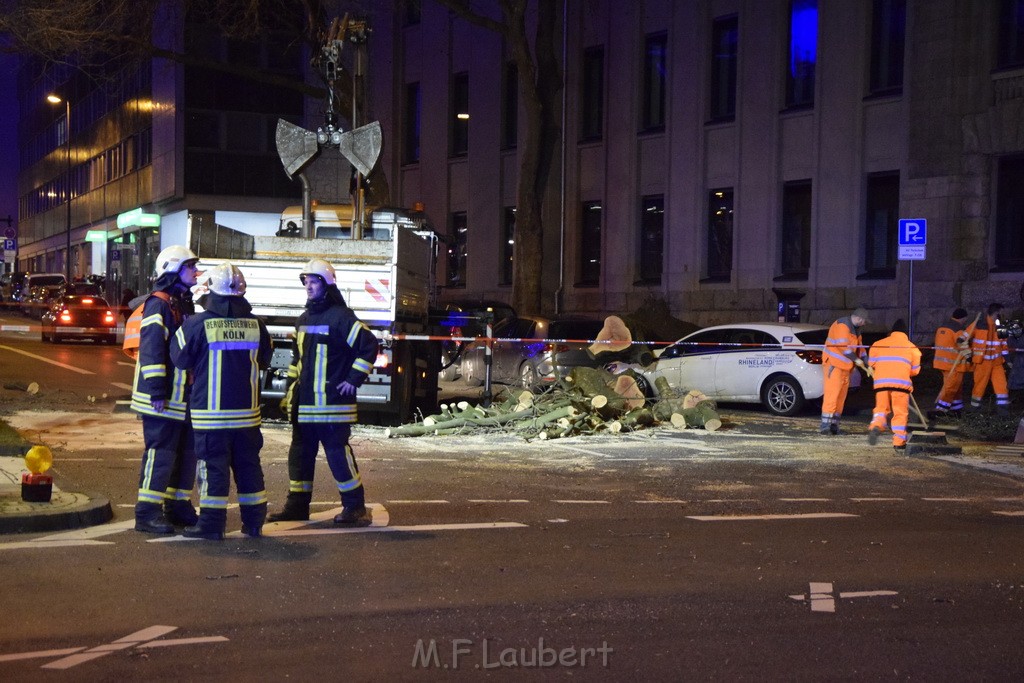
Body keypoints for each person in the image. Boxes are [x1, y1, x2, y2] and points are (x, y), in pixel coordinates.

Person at [267, 259, 379, 525]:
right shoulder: (304, 319)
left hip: (332, 406)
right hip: (304, 407)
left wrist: (353, 379)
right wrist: (289, 394)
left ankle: (355, 506)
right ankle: (296, 507)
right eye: (306, 281)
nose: (308, 286)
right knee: (299, 458)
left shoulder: (342, 318)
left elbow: (369, 346)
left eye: (314, 281)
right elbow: (299, 361)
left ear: (327, 285)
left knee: (337, 456)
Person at [170, 262, 273, 539]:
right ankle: (253, 524)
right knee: (249, 468)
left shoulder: (197, 324)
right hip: (247, 418)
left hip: (211, 417)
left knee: (212, 470)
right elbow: (265, 360)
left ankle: (211, 525)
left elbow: (179, 358)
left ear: (211, 291)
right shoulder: (258, 326)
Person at [130, 246, 200, 533]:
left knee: (186, 453)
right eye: (190, 266)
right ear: (173, 270)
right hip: (160, 398)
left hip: (181, 396)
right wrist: (158, 390)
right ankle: (147, 512)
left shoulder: (182, 303)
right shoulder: (159, 304)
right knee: (161, 453)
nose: (196, 271)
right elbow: (151, 348)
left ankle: (177, 505)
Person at [867, 319, 922, 452]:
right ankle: (899, 442)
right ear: (905, 333)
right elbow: (915, 370)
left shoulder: (877, 344)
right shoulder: (913, 348)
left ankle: (876, 426)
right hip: (901, 385)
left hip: (881, 384)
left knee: (881, 410)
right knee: (900, 413)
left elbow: (872, 364)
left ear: (891, 332)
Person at [820, 307, 870, 435]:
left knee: (840, 399)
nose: (865, 324)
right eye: (864, 321)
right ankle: (825, 427)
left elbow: (860, 348)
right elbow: (844, 348)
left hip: (845, 368)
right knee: (832, 396)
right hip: (834, 366)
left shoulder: (856, 330)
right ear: (859, 319)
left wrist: (866, 361)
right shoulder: (842, 326)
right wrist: (857, 360)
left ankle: (834, 427)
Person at [931, 308, 975, 418]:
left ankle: (956, 409)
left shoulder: (942, 327)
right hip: (954, 364)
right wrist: (969, 356)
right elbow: (962, 344)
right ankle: (941, 410)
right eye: (965, 319)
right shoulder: (958, 329)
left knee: (956, 387)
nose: (966, 321)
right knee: (951, 388)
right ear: (963, 318)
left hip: (941, 363)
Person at [969, 302, 1011, 414]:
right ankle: (974, 411)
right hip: (982, 362)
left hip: (997, 363)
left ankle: (1003, 412)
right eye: (1002, 312)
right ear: (997, 312)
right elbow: (964, 337)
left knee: (1002, 387)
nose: (1003, 314)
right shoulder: (979, 324)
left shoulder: (1001, 326)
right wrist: (967, 353)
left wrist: (1008, 360)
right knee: (979, 387)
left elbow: (1004, 345)